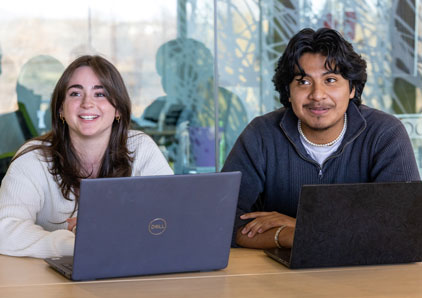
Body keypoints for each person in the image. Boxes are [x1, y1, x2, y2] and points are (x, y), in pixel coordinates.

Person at [222, 28, 420, 250]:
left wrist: (301, 227)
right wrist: (288, 235)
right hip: (275, 276)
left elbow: (404, 227)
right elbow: (221, 223)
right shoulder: (261, 134)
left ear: (352, 88)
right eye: (303, 82)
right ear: (288, 92)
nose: (317, 95)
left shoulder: (385, 134)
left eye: (331, 80)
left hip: (365, 274)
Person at [0, 55, 173, 258]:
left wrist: (105, 227)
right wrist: (72, 244)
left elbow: (172, 216)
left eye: (100, 94)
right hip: (51, 284)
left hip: (128, 275)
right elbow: (5, 229)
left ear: (117, 108)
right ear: (60, 110)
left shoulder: (141, 148)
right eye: (75, 93)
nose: (87, 103)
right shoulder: (33, 158)